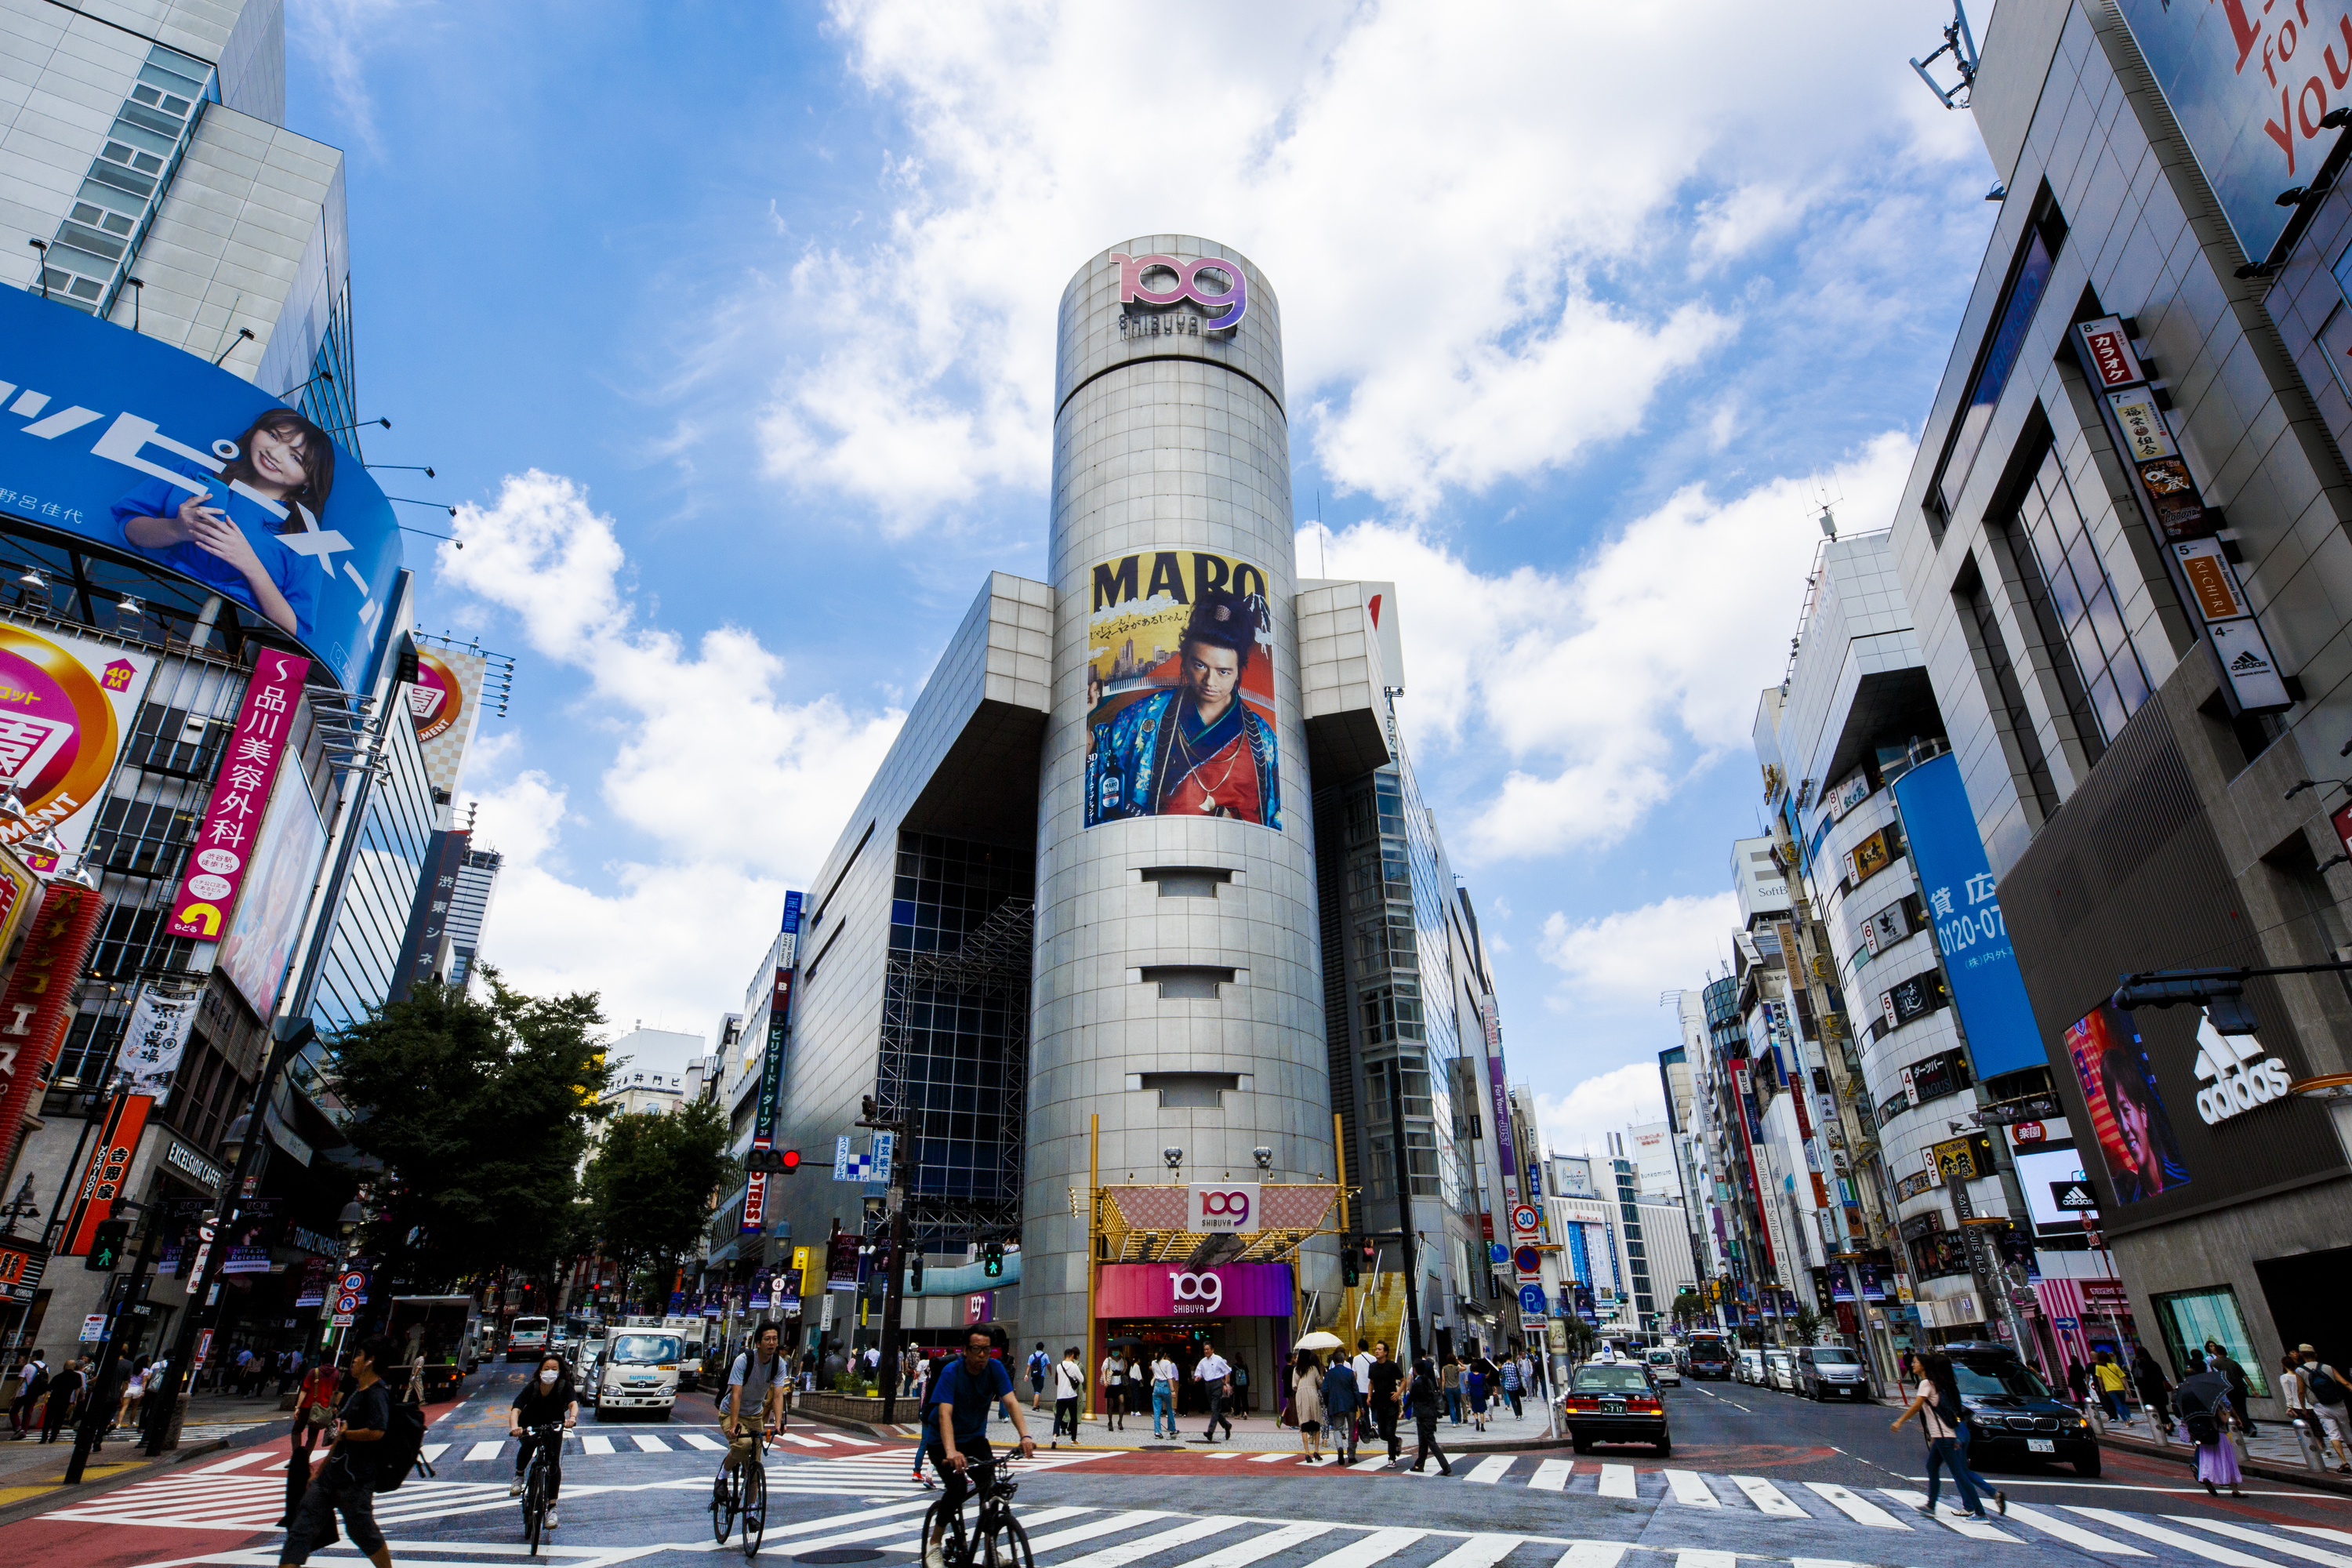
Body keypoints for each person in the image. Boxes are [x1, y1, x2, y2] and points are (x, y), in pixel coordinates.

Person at [116, 408, 336, 641]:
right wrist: (175, 529)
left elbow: (294, 628)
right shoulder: (199, 471)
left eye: (295, 458)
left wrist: (251, 565)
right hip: (146, 599)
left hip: (227, 639)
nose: (275, 453)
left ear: (309, 481)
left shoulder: (305, 533)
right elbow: (128, 526)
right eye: (273, 435)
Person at [1085, 588, 1279, 827]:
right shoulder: (1147, 715)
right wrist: (1082, 716)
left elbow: (1274, 817)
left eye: (1223, 672)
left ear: (1239, 670)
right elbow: (1100, 753)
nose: (1210, 681)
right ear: (1185, 661)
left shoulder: (1263, 740)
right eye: (1200, 666)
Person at [278, 1335, 397, 1568]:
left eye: (359, 1357)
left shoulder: (377, 1394)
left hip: (356, 1482)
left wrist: (346, 1434)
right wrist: (319, 1473)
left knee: (362, 1532)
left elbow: (377, 1431)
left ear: (370, 1361)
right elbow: (338, 1443)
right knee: (301, 1527)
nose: (353, 1361)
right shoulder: (357, 1391)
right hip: (330, 1478)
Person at [921, 1328, 1036, 1568]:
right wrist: (951, 1451)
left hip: (974, 1439)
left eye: (986, 1349)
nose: (982, 1355)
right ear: (965, 1351)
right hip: (941, 1441)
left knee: (991, 1489)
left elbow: (1011, 1402)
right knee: (957, 1488)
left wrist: (1025, 1435)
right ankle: (934, 1544)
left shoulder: (995, 1369)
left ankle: (990, 1550)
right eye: (976, 1349)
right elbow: (944, 1413)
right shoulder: (952, 1372)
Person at [1892, 1352, 1994, 1522]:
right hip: (1941, 1436)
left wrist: (1899, 1421)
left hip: (1944, 1437)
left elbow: (1917, 1406)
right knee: (1932, 1467)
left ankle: (1980, 1513)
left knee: (1959, 1473)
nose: (1912, 1365)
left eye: (1915, 1362)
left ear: (1924, 1365)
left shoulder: (1926, 1383)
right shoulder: (1934, 1383)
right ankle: (1931, 1506)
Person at [2100, 1042, 2188, 1203]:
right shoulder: (2132, 1202)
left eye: (2126, 1111)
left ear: (2143, 1113)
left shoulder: (2184, 1178)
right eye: (2117, 1117)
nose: (2125, 1128)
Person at [506, 1353, 579, 1530]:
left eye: (554, 1369)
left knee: (553, 1463)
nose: (549, 1372)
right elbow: (516, 1409)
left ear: (560, 1372)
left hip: (554, 1425)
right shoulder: (532, 1387)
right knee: (529, 1444)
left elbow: (573, 1404)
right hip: (529, 1424)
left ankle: (552, 1509)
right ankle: (519, 1476)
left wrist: (572, 1418)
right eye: (546, 1369)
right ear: (540, 1372)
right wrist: (515, 1427)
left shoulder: (564, 1386)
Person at [720, 1322, 789, 1479]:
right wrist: (733, 1426)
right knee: (743, 1445)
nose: (771, 1343)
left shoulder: (779, 1364)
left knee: (755, 1466)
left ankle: (751, 1504)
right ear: (758, 1343)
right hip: (730, 1413)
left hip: (755, 1415)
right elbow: (736, 1395)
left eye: (774, 1339)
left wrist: (778, 1423)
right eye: (767, 1339)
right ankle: (723, 1475)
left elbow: (778, 1395)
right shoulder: (743, 1361)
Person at [2174, 1362, 2244, 1497]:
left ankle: (2205, 1476)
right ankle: (2235, 1489)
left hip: (2201, 1434)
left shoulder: (2186, 1397)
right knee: (2227, 1459)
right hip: (2219, 1433)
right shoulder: (2208, 1396)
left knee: (2207, 1457)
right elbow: (2224, 1419)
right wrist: (2228, 1413)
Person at [2298, 1346, 2352, 1475]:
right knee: (2348, 1433)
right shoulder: (2328, 1367)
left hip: (2320, 1406)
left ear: (2301, 1355)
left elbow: (2300, 1391)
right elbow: (2345, 1383)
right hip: (2338, 1404)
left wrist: (2303, 1408)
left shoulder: (2300, 1371)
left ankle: (2344, 1462)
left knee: (2333, 1433)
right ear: (2315, 1355)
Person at [1404, 1353, 1454, 1475]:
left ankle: (1446, 1467)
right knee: (1423, 1441)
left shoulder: (1416, 1384)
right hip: (1430, 1414)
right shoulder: (1429, 1381)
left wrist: (1403, 1411)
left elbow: (1410, 1398)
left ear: (1415, 1370)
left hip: (1423, 1415)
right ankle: (1419, 1465)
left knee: (1431, 1442)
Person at [2205, 1340, 2256, 1436]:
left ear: (2217, 1352)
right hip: (2241, 1388)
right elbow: (2245, 1376)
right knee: (2242, 1408)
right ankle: (2246, 1427)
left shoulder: (2214, 1363)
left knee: (2236, 1409)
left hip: (2229, 1390)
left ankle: (2250, 1427)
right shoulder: (2233, 1362)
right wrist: (2253, 1389)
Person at [1322, 1350, 1361, 1465]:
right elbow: (1356, 1390)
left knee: (1337, 1428)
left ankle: (1340, 1447)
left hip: (1336, 1404)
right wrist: (1361, 1406)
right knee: (1352, 1429)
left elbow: (1325, 1390)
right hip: (1350, 1405)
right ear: (1344, 1360)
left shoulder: (1329, 1374)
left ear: (1333, 1361)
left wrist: (1327, 1403)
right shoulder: (1350, 1373)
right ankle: (1351, 1455)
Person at [1367, 1342, 1403, 1462]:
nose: (1377, 1351)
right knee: (1383, 1434)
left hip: (1391, 1403)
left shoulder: (1392, 1366)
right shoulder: (1372, 1367)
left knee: (1390, 1430)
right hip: (1379, 1402)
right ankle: (1396, 1440)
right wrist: (1369, 1396)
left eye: (1379, 1349)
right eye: (1376, 1349)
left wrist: (1398, 1394)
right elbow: (1371, 1383)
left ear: (1386, 1352)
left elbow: (1403, 1381)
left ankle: (1391, 1458)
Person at [1195, 1345, 1235, 1442]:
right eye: (1204, 1349)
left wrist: (1225, 1384)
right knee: (1215, 1409)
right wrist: (1198, 1377)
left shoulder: (1218, 1359)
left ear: (1212, 1350)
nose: (1206, 1351)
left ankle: (1210, 1432)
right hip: (1208, 1385)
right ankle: (1226, 1425)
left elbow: (1227, 1371)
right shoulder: (1203, 1361)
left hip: (1217, 1384)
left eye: (1208, 1349)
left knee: (1214, 1408)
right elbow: (1198, 1372)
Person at [1291, 1350, 1325, 1461]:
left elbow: (1294, 1386)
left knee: (1304, 1423)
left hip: (1301, 1395)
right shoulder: (1313, 1369)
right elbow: (1320, 1383)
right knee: (1316, 1422)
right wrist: (1321, 1373)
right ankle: (1316, 1451)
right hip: (1312, 1394)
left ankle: (1307, 1453)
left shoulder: (1296, 1370)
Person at [40, 1358, 83, 1443]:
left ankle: (44, 1436)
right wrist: (75, 1400)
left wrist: (43, 1401)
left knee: (48, 1418)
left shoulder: (58, 1376)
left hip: (53, 1399)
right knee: (58, 1418)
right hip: (64, 1400)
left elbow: (49, 1390)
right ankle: (54, 1435)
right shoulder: (77, 1376)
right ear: (73, 1367)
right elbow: (77, 1389)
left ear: (65, 1367)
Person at [2131, 1345, 2172, 1431]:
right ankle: (2168, 1425)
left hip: (2146, 1391)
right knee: (2162, 1409)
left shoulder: (2137, 1366)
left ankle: (2161, 1425)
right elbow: (2162, 1377)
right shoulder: (2153, 1364)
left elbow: (2136, 1381)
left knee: (2153, 1409)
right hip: (2158, 1389)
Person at [11, 1349, 45, 1439]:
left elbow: (20, 1379)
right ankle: (24, 1431)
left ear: (34, 1357)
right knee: (28, 1413)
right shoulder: (46, 1367)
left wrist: (14, 1394)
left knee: (14, 1411)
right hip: (35, 1393)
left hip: (24, 1392)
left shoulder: (28, 1366)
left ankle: (18, 1429)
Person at [1349, 1340, 1375, 1447]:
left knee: (1364, 1410)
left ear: (1359, 1348)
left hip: (1361, 1388)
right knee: (1374, 1408)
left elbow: (1354, 1374)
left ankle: (1367, 1429)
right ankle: (1374, 1425)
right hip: (1372, 1388)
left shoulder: (1356, 1359)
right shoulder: (1373, 1358)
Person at [2092, 1351, 2130, 1421]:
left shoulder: (2098, 1367)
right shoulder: (2114, 1365)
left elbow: (2100, 1379)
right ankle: (2129, 1418)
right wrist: (2127, 1388)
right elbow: (2122, 1377)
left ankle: (2125, 1421)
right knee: (2123, 1403)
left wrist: (2102, 1388)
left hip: (2110, 1389)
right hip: (2120, 1387)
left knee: (2117, 1405)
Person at [1150, 1348, 1178, 1439]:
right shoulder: (1167, 1363)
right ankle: (1172, 1429)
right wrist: (1173, 1390)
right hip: (1166, 1386)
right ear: (1165, 1354)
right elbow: (1169, 1377)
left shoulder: (1153, 1363)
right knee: (1169, 1409)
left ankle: (1157, 1432)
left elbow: (1155, 1374)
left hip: (1157, 1386)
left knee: (1157, 1410)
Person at [1099, 1347, 1128, 1432]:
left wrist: (1125, 1367)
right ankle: (1110, 1422)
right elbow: (1104, 1371)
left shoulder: (1121, 1360)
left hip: (1119, 1383)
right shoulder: (1108, 1360)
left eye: (1117, 1350)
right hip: (1111, 1383)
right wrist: (1105, 1381)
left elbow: (1122, 1372)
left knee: (1122, 1401)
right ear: (1111, 1351)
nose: (1116, 1352)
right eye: (1114, 1351)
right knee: (1111, 1403)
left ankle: (1120, 1422)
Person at [1499, 1349, 1524, 1419]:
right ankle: (1520, 1413)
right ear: (1511, 1357)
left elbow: (1503, 1375)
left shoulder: (1503, 1366)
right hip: (1516, 1384)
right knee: (1517, 1400)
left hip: (1509, 1385)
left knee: (1513, 1401)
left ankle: (1517, 1415)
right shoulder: (1514, 1365)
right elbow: (1518, 1374)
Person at [1440, 1355, 1462, 1425]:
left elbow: (1443, 1380)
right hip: (1457, 1388)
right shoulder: (1457, 1368)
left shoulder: (1444, 1368)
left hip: (1448, 1388)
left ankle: (1454, 1422)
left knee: (1451, 1405)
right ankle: (1459, 1420)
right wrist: (1458, 1362)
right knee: (1457, 1405)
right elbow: (1464, 1368)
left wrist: (1443, 1389)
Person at [1028, 1343, 1050, 1411]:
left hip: (1033, 1376)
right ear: (1043, 1348)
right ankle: (1034, 1407)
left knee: (1036, 1390)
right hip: (1041, 1376)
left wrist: (1026, 1374)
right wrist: (1051, 1372)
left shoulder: (1032, 1356)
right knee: (1038, 1391)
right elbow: (1049, 1365)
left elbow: (1029, 1366)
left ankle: (1037, 1405)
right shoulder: (1045, 1356)